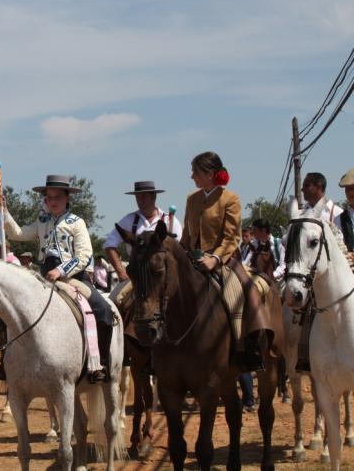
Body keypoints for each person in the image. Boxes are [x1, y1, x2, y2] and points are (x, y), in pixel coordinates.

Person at [2, 174, 114, 381]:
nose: (52, 201)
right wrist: (5, 213)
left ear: (67, 199)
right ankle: (10, 361)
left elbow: (84, 256)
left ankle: (100, 364)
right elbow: (18, 234)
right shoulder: (41, 220)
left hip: (74, 278)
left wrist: (61, 271)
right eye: (48, 198)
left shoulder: (77, 222)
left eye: (57, 197)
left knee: (104, 311)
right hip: (44, 277)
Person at [180, 151, 270, 372]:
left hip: (223, 260)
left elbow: (232, 238)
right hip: (193, 259)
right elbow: (186, 235)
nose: (192, 176)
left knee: (243, 292)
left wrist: (215, 259)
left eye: (195, 172)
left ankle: (245, 348)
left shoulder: (230, 199)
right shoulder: (192, 199)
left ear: (209, 174)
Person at [105, 180, 183, 283]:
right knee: (116, 298)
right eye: (137, 197)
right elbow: (109, 244)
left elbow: (179, 251)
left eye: (143, 197)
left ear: (153, 196)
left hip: (165, 278)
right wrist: (121, 272)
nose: (139, 201)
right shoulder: (128, 220)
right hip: (137, 277)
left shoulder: (170, 220)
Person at [334, 168, 354, 259]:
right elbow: (337, 244)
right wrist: (346, 254)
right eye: (347, 189)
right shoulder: (340, 219)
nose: (350, 193)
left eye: (352, 188)